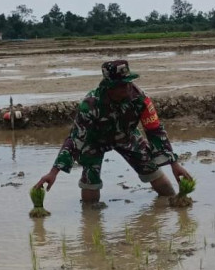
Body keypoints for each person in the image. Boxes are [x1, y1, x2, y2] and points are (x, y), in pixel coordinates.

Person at [34, 60, 191, 202]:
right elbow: (75, 139)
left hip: (126, 136)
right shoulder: (90, 105)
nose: (127, 87)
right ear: (109, 86)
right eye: (121, 85)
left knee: (151, 168)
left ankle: (170, 201)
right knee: (90, 180)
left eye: (129, 82)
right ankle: (90, 216)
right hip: (94, 141)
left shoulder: (140, 99)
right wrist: (53, 172)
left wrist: (174, 164)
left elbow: (155, 131)